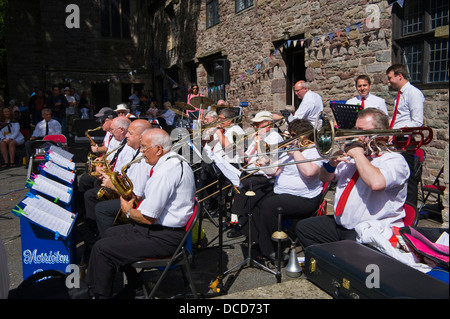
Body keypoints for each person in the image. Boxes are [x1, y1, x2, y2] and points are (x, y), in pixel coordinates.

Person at [86, 128, 196, 299]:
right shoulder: (173, 161)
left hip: (164, 238)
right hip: (162, 232)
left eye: (145, 148)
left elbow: (148, 218)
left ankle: (99, 295)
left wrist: (127, 211)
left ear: (159, 149)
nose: (142, 152)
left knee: (102, 248)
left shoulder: (165, 172)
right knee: (107, 234)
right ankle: (134, 287)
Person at [295, 108, 410, 249]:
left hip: (371, 230)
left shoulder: (395, 160)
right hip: (342, 225)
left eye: (361, 131)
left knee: (346, 255)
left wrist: (358, 155)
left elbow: (376, 182)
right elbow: (324, 177)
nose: (356, 136)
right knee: (305, 228)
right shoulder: (355, 156)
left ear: (380, 133)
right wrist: (332, 163)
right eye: (355, 129)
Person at [254, 119, 324, 261]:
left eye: (293, 135)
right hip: (283, 192)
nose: (290, 138)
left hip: (304, 197)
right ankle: (260, 241)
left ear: (304, 136)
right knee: (255, 198)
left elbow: (309, 172)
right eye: (290, 135)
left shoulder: (315, 151)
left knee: (269, 205)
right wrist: (262, 165)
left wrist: (296, 152)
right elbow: (275, 171)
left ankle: (272, 251)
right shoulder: (288, 150)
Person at [228, 111, 284, 238]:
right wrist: (240, 148)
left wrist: (258, 143)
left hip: (264, 176)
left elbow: (265, 160)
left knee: (242, 185)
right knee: (235, 182)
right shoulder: (258, 136)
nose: (255, 127)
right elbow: (247, 157)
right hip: (250, 172)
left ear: (268, 124)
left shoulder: (274, 137)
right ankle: (239, 220)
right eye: (255, 125)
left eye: (258, 124)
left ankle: (239, 222)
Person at [95, 119, 152, 237]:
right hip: (132, 198)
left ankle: (107, 241)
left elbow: (136, 196)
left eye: (130, 133)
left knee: (101, 209)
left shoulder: (143, 159)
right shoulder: (138, 154)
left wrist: (113, 186)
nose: (126, 135)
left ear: (141, 137)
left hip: (137, 205)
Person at [83, 116, 135, 234]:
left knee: (94, 199)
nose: (110, 132)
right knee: (92, 190)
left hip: (126, 194)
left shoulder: (129, 149)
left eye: (112, 130)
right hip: (116, 183)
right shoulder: (121, 143)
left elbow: (125, 176)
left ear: (121, 130)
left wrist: (111, 184)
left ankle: (96, 231)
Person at [386, 64, 424, 206]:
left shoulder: (413, 93)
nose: (388, 81)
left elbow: (418, 122)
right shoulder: (400, 94)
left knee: (409, 177)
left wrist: (398, 131)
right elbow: (400, 117)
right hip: (398, 137)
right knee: (398, 173)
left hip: (406, 139)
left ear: (399, 76)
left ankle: (411, 209)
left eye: (390, 78)